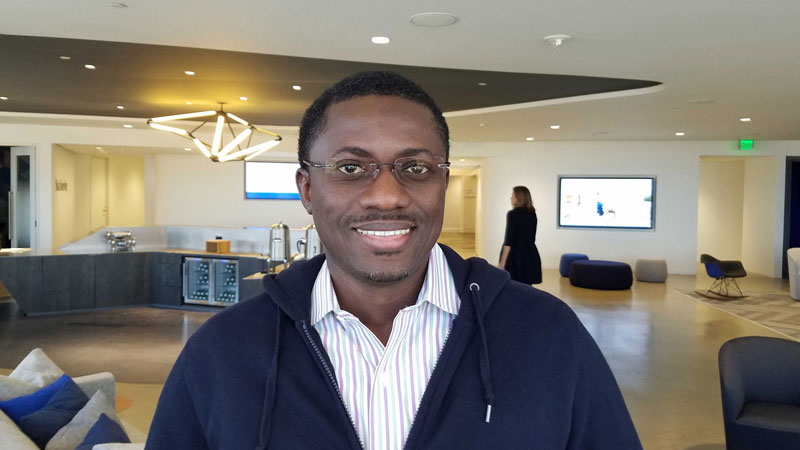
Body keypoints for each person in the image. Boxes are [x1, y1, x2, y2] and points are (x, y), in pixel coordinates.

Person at [146, 71, 642, 449]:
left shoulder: (548, 335)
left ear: (442, 182)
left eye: (415, 167)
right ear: (307, 189)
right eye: (350, 167)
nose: (387, 195)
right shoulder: (222, 353)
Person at [498, 186, 542, 284]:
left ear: (518, 198)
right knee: (526, 287)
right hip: (530, 254)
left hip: (515, 257)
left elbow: (509, 240)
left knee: (512, 286)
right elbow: (532, 237)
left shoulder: (513, 214)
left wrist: (502, 263)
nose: (511, 198)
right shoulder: (532, 214)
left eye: (513, 196)